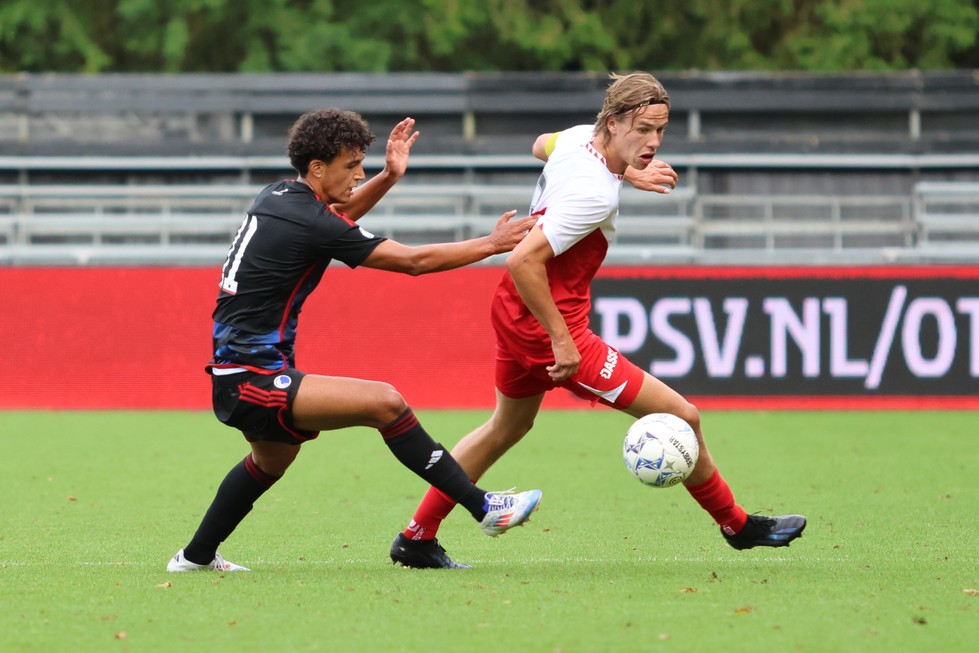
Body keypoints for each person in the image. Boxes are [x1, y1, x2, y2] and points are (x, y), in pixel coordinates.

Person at [389, 72, 806, 569]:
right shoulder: (595, 193)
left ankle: (416, 537)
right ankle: (737, 525)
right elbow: (522, 260)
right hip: (548, 322)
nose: (653, 142)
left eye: (661, 131)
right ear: (613, 122)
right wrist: (563, 343)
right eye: (643, 129)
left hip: (512, 310)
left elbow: (538, 144)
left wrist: (625, 169)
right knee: (684, 417)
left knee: (507, 425)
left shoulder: (579, 139)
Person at [167, 109, 542, 572]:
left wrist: (388, 176)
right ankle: (484, 507)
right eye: (351, 165)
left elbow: (335, 217)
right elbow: (413, 261)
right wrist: (492, 243)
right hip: (252, 376)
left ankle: (195, 556)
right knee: (384, 403)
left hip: (242, 370)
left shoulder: (279, 196)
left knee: (271, 461)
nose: (358, 173)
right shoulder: (309, 218)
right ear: (318, 168)